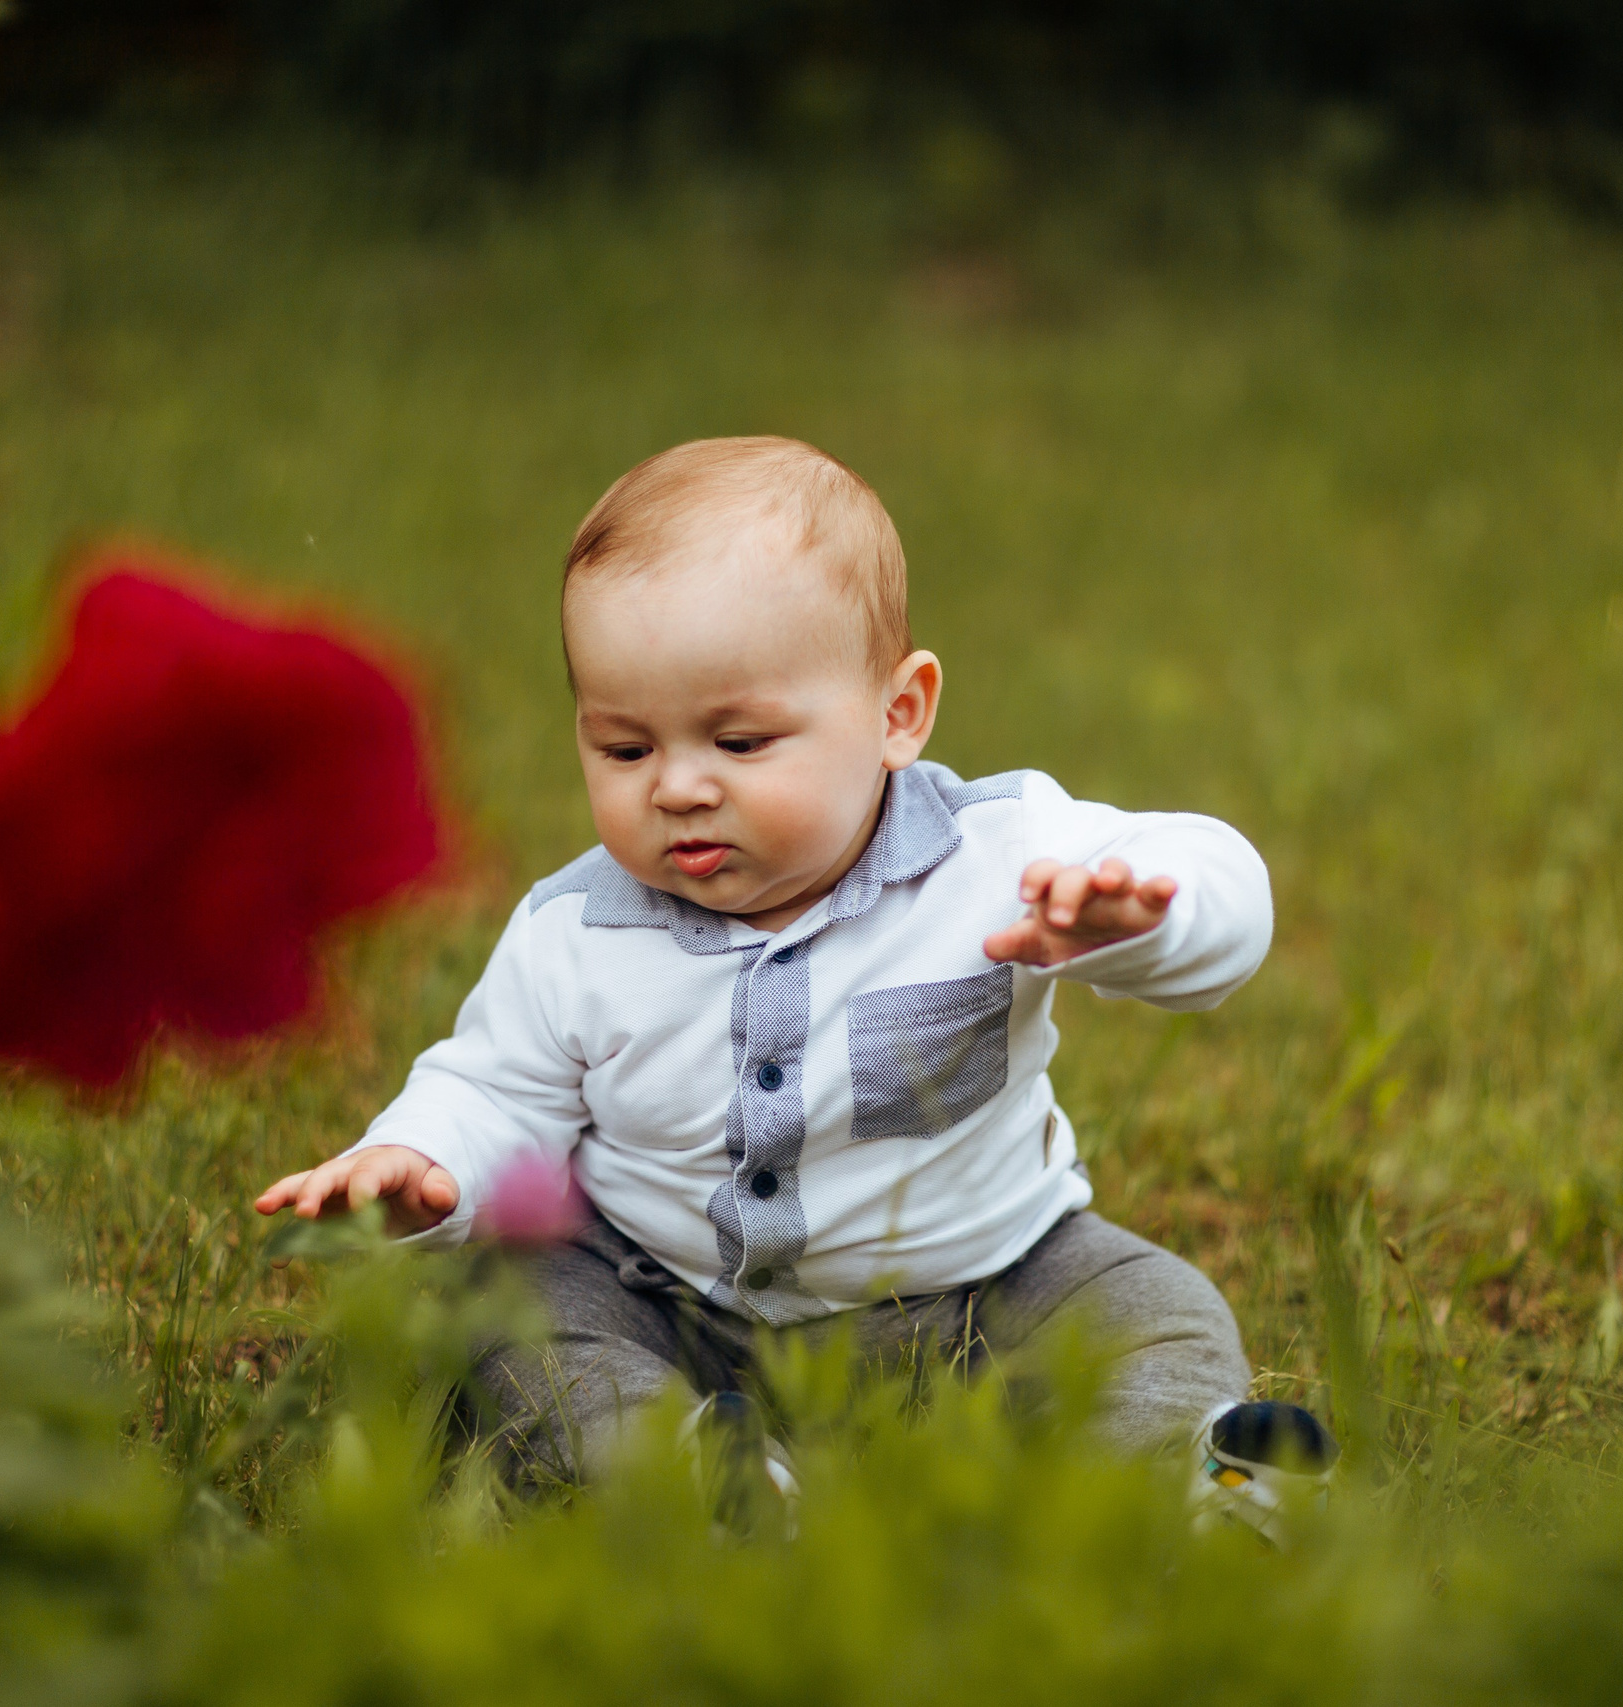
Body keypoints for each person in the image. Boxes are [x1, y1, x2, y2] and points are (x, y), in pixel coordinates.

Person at [254, 436, 1332, 1533]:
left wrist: (1148, 913)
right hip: (668, 1298)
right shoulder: (575, 932)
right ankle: (697, 1480)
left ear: (897, 714)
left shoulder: (996, 852)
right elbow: (495, 1089)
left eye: (738, 740)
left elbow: (1220, 880)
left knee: (1153, 1309)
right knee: (510, 1306)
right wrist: (425, 1160)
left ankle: (1204, 1484)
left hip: (985, 1286)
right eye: (624, 750)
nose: (678, 787)